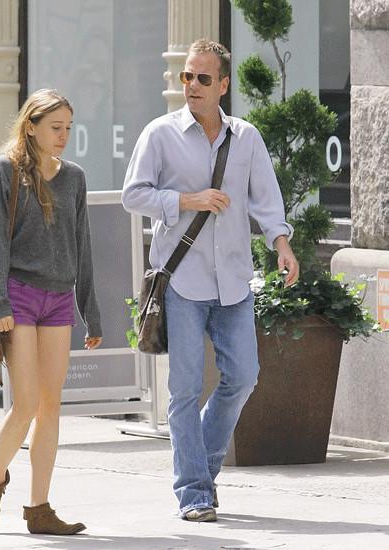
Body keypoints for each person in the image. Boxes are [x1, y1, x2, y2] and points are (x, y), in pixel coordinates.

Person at [122, 39, 299, 522]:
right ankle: (194, 492)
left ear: (223, 85)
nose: (192, 86)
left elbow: (266, 198)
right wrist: (186, 200)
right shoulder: (159, 134)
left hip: (234, 280)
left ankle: (201, 466)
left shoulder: (246, 138)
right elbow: (133, 194)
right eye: (187, 76)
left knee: (242, 377)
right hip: (182, 280)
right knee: (183, 390)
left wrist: (281, 243)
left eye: (203, 78)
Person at [0, 88, 102, 535]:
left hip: (59, 299)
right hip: (19, 297)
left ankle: (39, 508)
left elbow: (82, 246)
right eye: (55, 127)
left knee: (51, 406)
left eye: (68, 128)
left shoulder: (74, 178)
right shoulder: (4, 170)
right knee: (26, 402)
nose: (63, 136)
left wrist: (91, 310)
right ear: (31, 127)